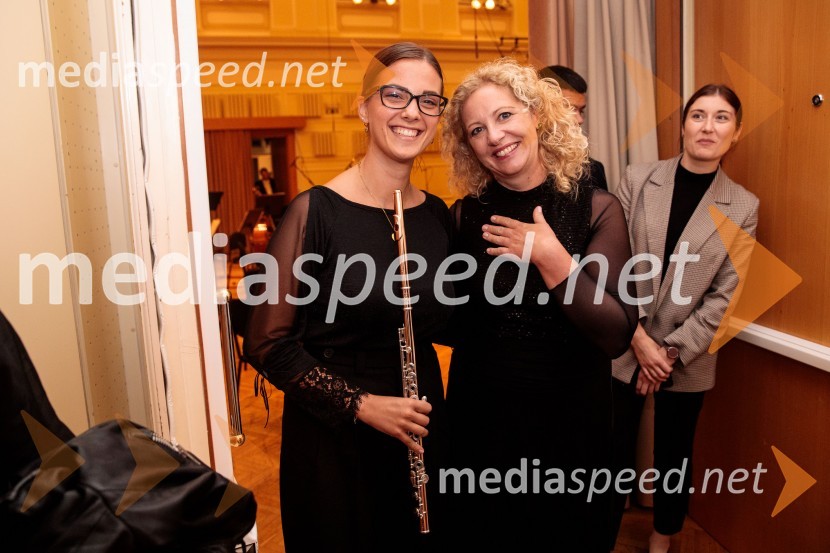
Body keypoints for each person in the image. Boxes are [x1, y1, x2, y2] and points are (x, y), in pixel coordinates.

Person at [244, 43, 452, 553]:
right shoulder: (315, 212)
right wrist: (362, 405)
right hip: (335, 440)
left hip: (421, 428)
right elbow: (267, 344)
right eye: (395, 95)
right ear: (363, 108)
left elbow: (448, 322)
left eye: (428, 100)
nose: (412, 112)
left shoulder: (436, 215)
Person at [440, 58, 638, 552]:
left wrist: (553, 260)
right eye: (477, 129)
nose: (494, 136)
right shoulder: (464, 216)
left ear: (536, 114)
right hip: (483, 427)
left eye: (505, 116)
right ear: (469, 146)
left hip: (572, 427)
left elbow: (615, 334)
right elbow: (450, 323)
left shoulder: (598, 208)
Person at [608, 84, 759, 553]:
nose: (707, 127)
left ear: (736, 132)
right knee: (609, 448)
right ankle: (600, 534)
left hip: (686, 356)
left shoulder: (744, 206)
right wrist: (638, 340)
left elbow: (724, 296)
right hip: (622, 342)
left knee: (674, 454)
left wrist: (666, 354)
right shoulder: (637, 179)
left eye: (721, 118)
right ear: (684, 124)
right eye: (698, 115)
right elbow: (610, 262)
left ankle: (663, 535)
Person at [539, 64, 608, 190]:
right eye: (570, 109)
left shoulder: (593, 170)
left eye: (581, 111)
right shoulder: (514, 167)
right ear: (541, 109)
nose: (580, 120)